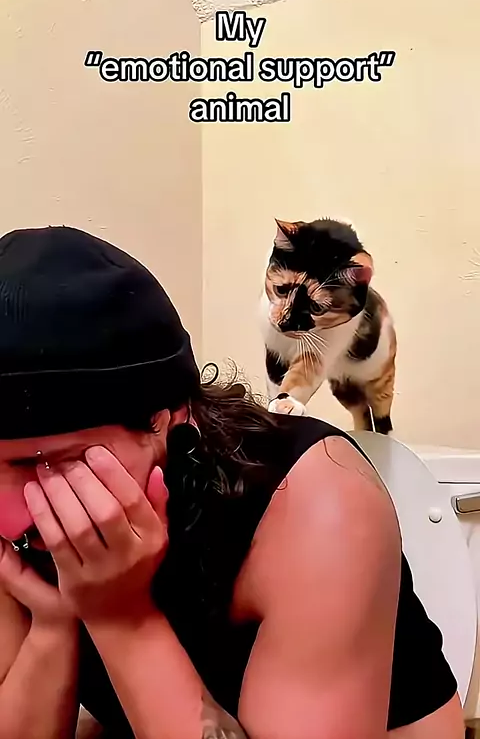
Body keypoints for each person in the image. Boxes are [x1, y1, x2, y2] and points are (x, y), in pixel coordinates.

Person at [0, 226, 463, 739]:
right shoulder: (18, 518)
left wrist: (119, 614)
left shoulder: (318, 502)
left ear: (169, 419)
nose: (11, 516)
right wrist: (53, 623)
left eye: (45, 462)